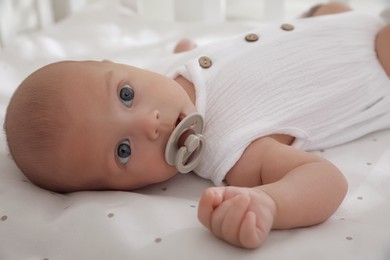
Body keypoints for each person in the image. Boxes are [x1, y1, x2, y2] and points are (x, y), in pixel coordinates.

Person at [4, 3, 390, 249]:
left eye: (125, 94)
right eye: (124, 150)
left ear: (117, 65)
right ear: (122, 188)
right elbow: (326, 180)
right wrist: (271, 202)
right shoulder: (232, 153)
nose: (149, 124)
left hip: (329, 22)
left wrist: (187, 50)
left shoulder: (170, 71)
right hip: (374, 65)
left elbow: (203, 55)